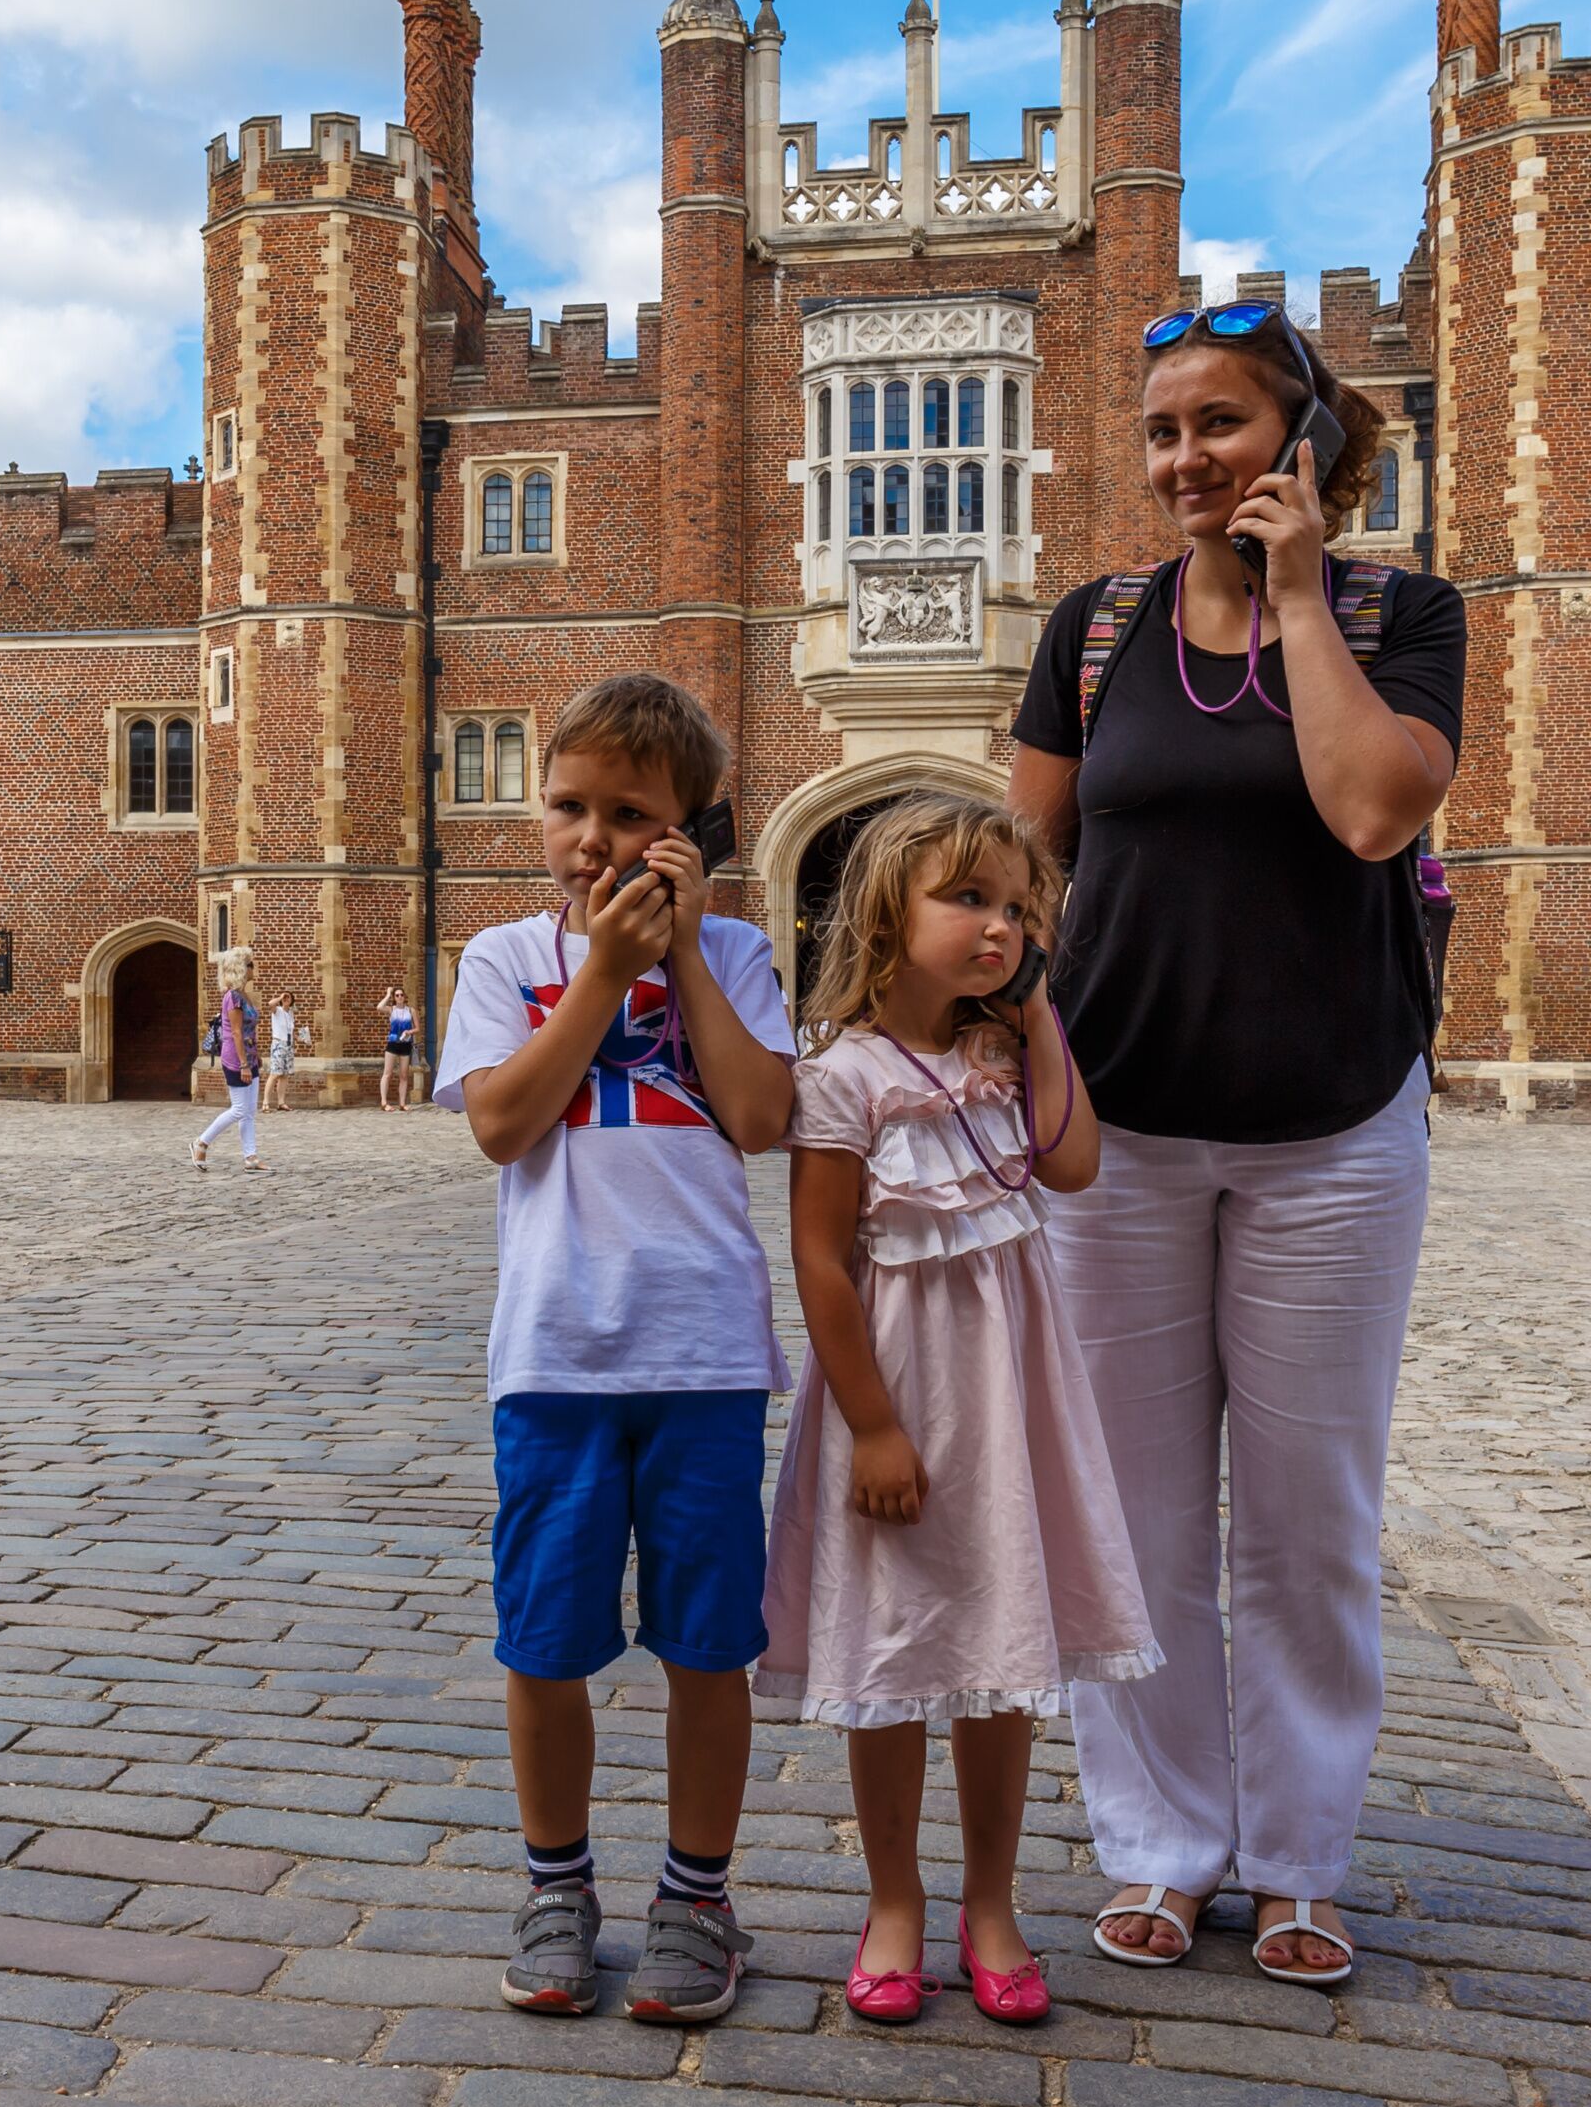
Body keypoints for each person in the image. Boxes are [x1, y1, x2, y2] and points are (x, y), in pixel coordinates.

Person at [1005, 297, 1464, 1986]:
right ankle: (1159, 1841)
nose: (1188, 457)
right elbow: (1022, 866)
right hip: (1113, 1136)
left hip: (1332, 1133)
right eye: (1164, 430)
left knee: (1305, 1515)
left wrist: (1295, 595)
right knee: (1129, 1519)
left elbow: (1367, 805)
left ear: (1303, 441)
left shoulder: (1405, 614)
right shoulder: (1095, 624)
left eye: (1224, 424)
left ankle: (1297, 1856)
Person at [762, 791, 1155, 2028]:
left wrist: (1037, 1012)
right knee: (891, 1646)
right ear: (889, 912)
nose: (996, 926)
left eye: (1016, 908)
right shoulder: (842, 1077)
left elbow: (1076, 1159)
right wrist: (872, 1425)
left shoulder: (1003, 1057)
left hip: (1009, 1400)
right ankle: (894, 1901)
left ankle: (995, 1901)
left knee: (1001, 1655)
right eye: (968, 900)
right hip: (897, 1397)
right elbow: (822, 1262)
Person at [443, 672, 797, 2026]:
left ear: (685, 831)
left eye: (628, 813)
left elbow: (762, 1116)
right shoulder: (501, 963)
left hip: (702, 1352)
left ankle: (699, 1898)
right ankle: (556, 1885)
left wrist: (687, 956)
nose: (591, 837)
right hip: (556, 1357)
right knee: (547, 1643)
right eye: (569, 805)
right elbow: (503, 1124)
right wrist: (602, 970)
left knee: (709, 1646)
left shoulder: (746, 959)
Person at [190, 948, 269, 1170]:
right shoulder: (232, 997)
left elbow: (248, 1030)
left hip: (249, 1057)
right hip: (236, 1059)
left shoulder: (244, 995)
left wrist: (257, 1054)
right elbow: (235, 1032)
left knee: (249, 1111)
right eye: (250, 964)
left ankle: (250, 1156)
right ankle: (201, 1142)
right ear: (241, 969)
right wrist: (243, 1063)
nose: (254, 968)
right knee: (239, 1109)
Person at [378, 987, 419, 1111]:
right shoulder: (391, 1010)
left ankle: (402, 1103)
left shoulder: (411, 1011)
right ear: (394, 998)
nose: (400, 997)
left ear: (404, 996)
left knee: (404, 1075)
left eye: (401, 995)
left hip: (405, 1044)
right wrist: (388, 994)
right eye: (397, 995)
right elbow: (379, 1007)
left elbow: (417, 1028)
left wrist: (409, 1031)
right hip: (393, 1044)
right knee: (387, 1073)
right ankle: (384, 1102)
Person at [263, 995, 301, 1111]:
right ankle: (265, 1103)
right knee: (274, 1074)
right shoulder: (277, 1011)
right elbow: (270, 1003)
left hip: (288, 1045)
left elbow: (291, 1031)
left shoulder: (290, 1014)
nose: (286, 999)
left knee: (284, 1075)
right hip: (278, 1044)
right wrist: (280, 997)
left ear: (291, 1001)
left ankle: (281, 1102)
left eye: (288, 998)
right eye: (285, 997)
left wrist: (299, 1037)